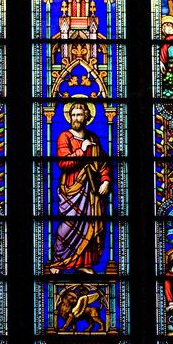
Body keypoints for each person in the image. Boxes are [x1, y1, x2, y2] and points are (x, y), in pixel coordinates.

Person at [50, 100, 111, 274]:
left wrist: (105, 180)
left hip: (92, 190)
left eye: (79, 114)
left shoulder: (93, 138)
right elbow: (64, 163)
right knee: (69, 225)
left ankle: (84, 264)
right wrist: (82, 150)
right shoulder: (64, 137)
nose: (76, 118)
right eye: (73, 115)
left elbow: (102, 163)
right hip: (71, 189)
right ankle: (59, 260)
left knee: (90, 225)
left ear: (86, 116)